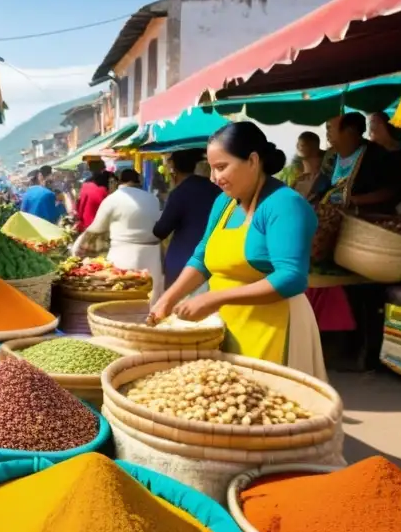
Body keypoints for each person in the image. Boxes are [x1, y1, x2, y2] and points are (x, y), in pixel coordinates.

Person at [149, 123, 325, 379]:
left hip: (273, 327)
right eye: (211, 168)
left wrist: (214, 299)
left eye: (221, 167)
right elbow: (202, 258)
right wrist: (168, 299)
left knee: (268, 410)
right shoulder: (224, 203)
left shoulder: (284, 204)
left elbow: (291, 277)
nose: (213, 177)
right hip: (226, 325)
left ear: (252, 160)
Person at [76, 169, 165, 304]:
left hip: (123, 257)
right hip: (153, 259)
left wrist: (77, 249)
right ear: (139, 181)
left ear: (117, 182)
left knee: (121, 302)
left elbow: (96, 228)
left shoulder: (112, 199)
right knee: (150, 302)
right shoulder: (153, 199)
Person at [154, 149, 221, 290]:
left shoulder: (179, 193)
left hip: (183, 261)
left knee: (178, 308)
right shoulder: (215, 189)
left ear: (174, 168)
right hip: (214, 259)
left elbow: (161, 231)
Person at [319, 113, 399, 213]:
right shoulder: (330, 158)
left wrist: (357, 200)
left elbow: (390, 190)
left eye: (330, 128)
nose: (327, 133)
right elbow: (321, 189)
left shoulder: (377, 155)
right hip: (332, 215)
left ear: (350, 131)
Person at [370, 111, 401, 203]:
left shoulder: (400, 153)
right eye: (371, 125)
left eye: (375, 125)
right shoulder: (372, 154)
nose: (372, 130)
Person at [279, 132, 324, 198]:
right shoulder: (297, 177)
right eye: (298, 144)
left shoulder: (321, 178)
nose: (297, 146)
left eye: (302, 144)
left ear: (314, 148)